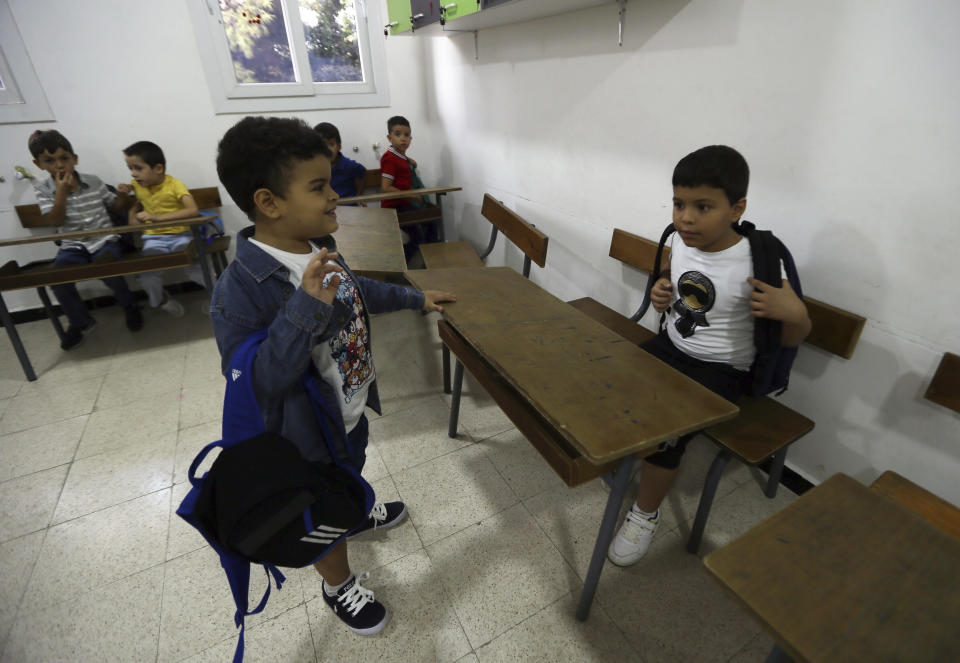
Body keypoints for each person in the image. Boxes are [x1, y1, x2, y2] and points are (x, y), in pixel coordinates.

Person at [212, 116, 455, 635]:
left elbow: (356, 290)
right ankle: (337, 584)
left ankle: (354, 507)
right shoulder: (238, 291)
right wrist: (303, 308)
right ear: (269, 202)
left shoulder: (315, 247)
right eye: (319, 187)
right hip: (302, 436)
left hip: (350, 405)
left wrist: (415, 297)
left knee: (350, 470)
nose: (335, 196)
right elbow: (259, 383)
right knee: (320, 513)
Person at [607, 145, 811, 566]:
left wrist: (794, 313)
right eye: (679, 203)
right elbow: (676, 283)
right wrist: (662, 291)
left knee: (666, 432)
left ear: (736, 208)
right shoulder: (682, 242)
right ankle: (626, 452)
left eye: (703, 206)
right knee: (613, 378)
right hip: (674, 346)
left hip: (723, 371)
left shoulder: (759, 261)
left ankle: (645, 513)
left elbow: (794, 336)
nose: (686, 217)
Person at [28, 130, 143, 350]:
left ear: (75, 159)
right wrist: (60, 193)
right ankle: (81, 322)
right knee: (58, 278)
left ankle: (130, 306)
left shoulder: (93, 182)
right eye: (50, 161)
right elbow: (55, 220)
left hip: (104, 239)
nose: (59, 165)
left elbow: (115, 208)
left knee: (108, 269)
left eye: (64, 158)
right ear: (39, 164)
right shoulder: (43, 189)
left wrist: (121, 197)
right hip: (73, 245)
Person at [123, 141, 206, 317]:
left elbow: (193, 210)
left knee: (194, 268)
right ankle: (161, 301)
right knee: (147, 276)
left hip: (182, 235)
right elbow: (134, 218)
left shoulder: (174, 184)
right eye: (129, 168)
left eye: (137, 168)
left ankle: (221, 298)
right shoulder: (137, 185)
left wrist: (158, 218)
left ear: (158, 168)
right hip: (153, 239)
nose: (132, 173)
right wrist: (129, 203)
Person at [313, 122, 367, 200]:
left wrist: (359, 195)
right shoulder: (313, 168)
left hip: (348, 207)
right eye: (321, 146)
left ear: (339, 146)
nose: (326, 150)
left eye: (331, 144)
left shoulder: (349, 166)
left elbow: (363, 173)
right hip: (326, 208)